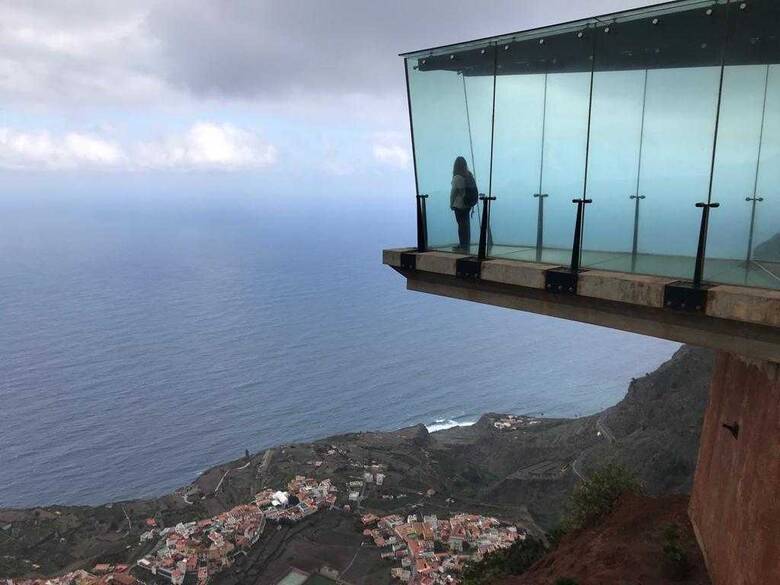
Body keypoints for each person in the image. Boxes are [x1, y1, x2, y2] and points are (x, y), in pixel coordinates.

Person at [450, 156, 477, 251]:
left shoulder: (457, 177)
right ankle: (466, 244)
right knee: (466, 225)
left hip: (459, 205)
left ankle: (462, 245)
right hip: (467, 204)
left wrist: (451, 204)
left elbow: (453, 193)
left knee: (461, 226)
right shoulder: (468, 175)